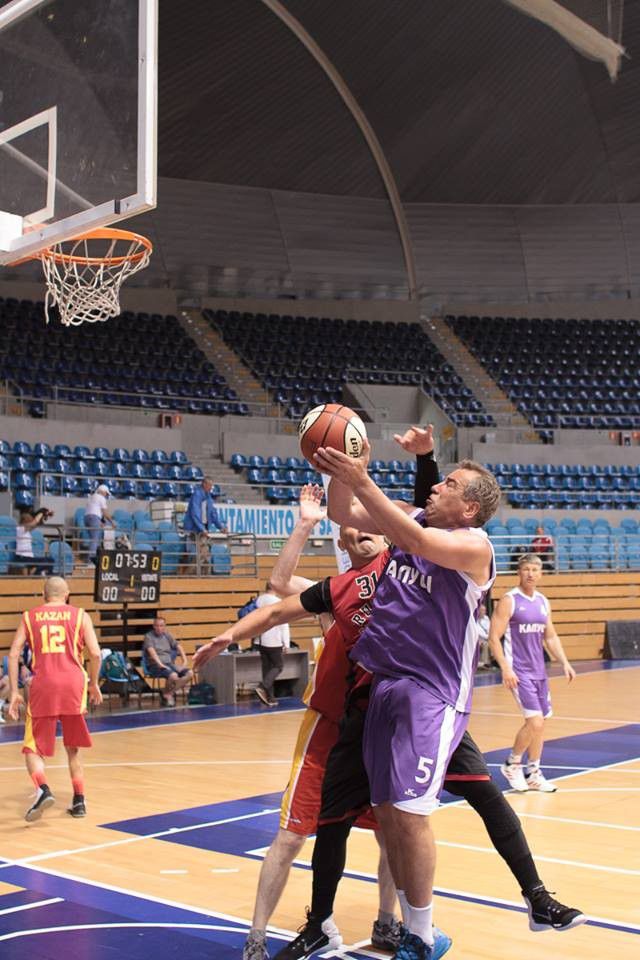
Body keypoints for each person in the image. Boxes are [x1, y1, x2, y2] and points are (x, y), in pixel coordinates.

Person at [195, 484, 404, 960]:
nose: (355, 542)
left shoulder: (403, 582)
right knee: (291, 835)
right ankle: (256, 937)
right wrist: (306, 523)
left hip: (380, 728)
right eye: (348, 538)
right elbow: (277, 584)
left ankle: (388, 922)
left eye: (365, 536)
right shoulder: (338, 593)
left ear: (385, 538)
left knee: (393, 832)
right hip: (329, 725)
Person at [310, 438, 500, 960]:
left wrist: (361, 474)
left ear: (469, 508)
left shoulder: (475, 545)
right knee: (389, 812)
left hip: (432, 694)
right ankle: (422, 932)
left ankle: (420, 934)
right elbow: (340, 509)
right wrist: (337, 460)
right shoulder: (416, 516)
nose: (436, 485)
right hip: (386, 684)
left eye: (450, 484)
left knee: (412, 814)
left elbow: (413, 541)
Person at [6, 576, 103, 820]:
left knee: (32, 747)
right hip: (73, 684)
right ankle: (79, 800)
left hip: (44, 685)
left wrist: (16, 693)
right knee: (73, 747)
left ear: (43, 595)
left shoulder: (30, 616)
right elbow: (95, 653)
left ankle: (42, 788)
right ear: (67, 594)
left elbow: (14, 653)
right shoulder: (80, 615)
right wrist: (94, 684)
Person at [489, 554, 576, 793]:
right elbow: (494, 637)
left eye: (535, 569)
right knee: (534, 721)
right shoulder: (509, 600)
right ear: (519, 571)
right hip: (519, 672)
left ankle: (534, 772)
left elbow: (550, 636)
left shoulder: (542, 601)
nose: (530, 573)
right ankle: (512, 763)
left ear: (540, 573)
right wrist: (506, 667)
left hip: (540, 672)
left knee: (541, 724)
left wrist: (565, 662)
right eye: (526, 569)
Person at [181, 477, 228, 574]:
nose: (211, 488)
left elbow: (213, 514)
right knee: (204, 554)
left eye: (211, 486)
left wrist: (221, 527)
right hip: (195, 530)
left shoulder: (209, 498)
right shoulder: (197, 495)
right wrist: (202, 528)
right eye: (209, 485)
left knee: (204, 555)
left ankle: (200, 576)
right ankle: (190, 575)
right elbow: (195, 513)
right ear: (204, 484)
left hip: (202, 530)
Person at [143, 615, 192, 707]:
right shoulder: (148, 637)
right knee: (173, 675)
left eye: (161, 626)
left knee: (190, 673)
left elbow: (179, 646)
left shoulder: (167, 635)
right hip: (154, 665)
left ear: (164, 626)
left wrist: (184, 661)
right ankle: (167, 695)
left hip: (169, 664)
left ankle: (168, 693)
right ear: (153, 626)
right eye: (157, 626)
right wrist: (160, 664)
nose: (159, 628)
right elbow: (152, 653)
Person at [255, 584, 291, 706]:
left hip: (260, 639)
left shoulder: (259, 600)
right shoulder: (278, 601)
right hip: (274, 639)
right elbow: (284, 624)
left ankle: (269, 698)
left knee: (266, 668)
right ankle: (263, 686)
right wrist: (286, 643)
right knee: (278, 666)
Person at [13, 506, 56, 576]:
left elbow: (37, 523)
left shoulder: (27, 530)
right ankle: (35, 573)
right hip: (22, 557)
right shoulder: (20, 528)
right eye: (29, 519)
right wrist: (41, 512)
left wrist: (47, 515)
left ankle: (46, 575)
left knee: (51, 560)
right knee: (45, 561)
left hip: (29, 558)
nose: (31, 520)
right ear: (24, 520)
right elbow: (34, 522)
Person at [84, 484, 114, 564]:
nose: (106, 495)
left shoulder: (91, 497)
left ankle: (93, 558)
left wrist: (99, 522)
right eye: (106, 494)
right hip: (94, 518)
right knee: (95, 540)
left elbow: (92, 511)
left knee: (93, 539)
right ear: (103, 492)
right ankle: (90, 561)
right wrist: (112, 522)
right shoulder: (101, 498)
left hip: (87, 518)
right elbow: (104, 512)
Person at [476, 602, 492, 668]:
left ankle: (495, 661)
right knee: (486, 644)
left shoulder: (486, 618)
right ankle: (485, 663)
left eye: (484, 610)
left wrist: (491, 636)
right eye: (482, 610)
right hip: (479, 639)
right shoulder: (475, 620)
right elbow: (479, 632)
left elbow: (490, 628)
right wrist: (490, 637)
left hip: (488, 637)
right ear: (478, 611)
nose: (484, 612)